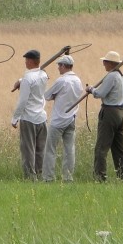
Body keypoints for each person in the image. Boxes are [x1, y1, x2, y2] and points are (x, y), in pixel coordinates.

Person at [86, 51, 123, 182]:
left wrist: (91, 90)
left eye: (105, 62)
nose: (103, 64)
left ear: (111, 63)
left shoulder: (111, 76)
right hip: (121, 113)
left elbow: (101, 93)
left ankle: (100, 178)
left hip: (110, 112)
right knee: (120, 148)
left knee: (101, 148)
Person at [42, 55, 83, 183]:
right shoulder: (77, 80)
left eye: (59, 65)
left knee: (50, 149)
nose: (58, 68)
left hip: (58, 120)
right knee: (69, 149)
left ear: (64, 66)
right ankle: (68, 177)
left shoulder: (62, 81)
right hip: (71, 118)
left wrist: (55, 95)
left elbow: (47, 95)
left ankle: (48, 177)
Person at [11, 49, 48, 180]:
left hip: (28, 118)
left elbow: (23, 101)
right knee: (40, 150)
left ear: (31, 61)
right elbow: (35, 78)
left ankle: (30, 177)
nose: (25, 62)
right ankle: (40, 174)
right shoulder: (44, 75)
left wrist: (15, 118)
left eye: (27, 60)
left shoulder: (28, 79)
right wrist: (21, 80)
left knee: (28, 150)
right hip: (41, 117)